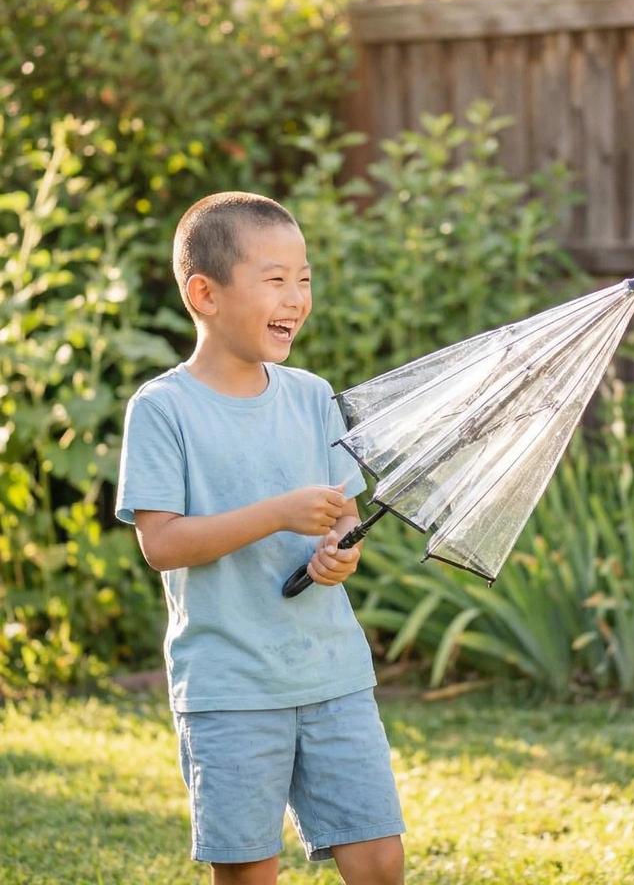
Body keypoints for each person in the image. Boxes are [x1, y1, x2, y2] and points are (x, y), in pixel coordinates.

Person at [115, 191, 405, 885]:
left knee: (380, 856)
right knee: (248, 870)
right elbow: (162, 544)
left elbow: (338, 511)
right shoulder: (163, 409)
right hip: (230, 682)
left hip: (330, 671)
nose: (296, 297)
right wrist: (278, 513)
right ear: (205, 293)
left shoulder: (311, 394)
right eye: (275, 279)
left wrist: (341, 548)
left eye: (304, 278)